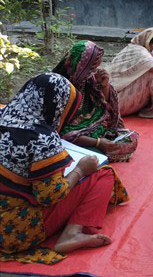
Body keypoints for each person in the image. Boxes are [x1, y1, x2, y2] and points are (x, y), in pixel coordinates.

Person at [0, 74, 129, 264]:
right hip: (13, 231)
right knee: (103, 173)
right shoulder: (41, 137)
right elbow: (49, 196)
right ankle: (72, 233)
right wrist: (80, 170)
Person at [52, 40, 138, 160]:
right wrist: (98, 142)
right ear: (81, 65)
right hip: (70, 136)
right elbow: (60, 132)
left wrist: (104, 86)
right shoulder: (58, 86)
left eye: (97, 67)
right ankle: (95, 151)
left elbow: (107, 109)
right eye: (92, 67)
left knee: (130, 138)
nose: (95, 72)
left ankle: (98, 150)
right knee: (94, 153)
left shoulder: (88, 79)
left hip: (91, 128)